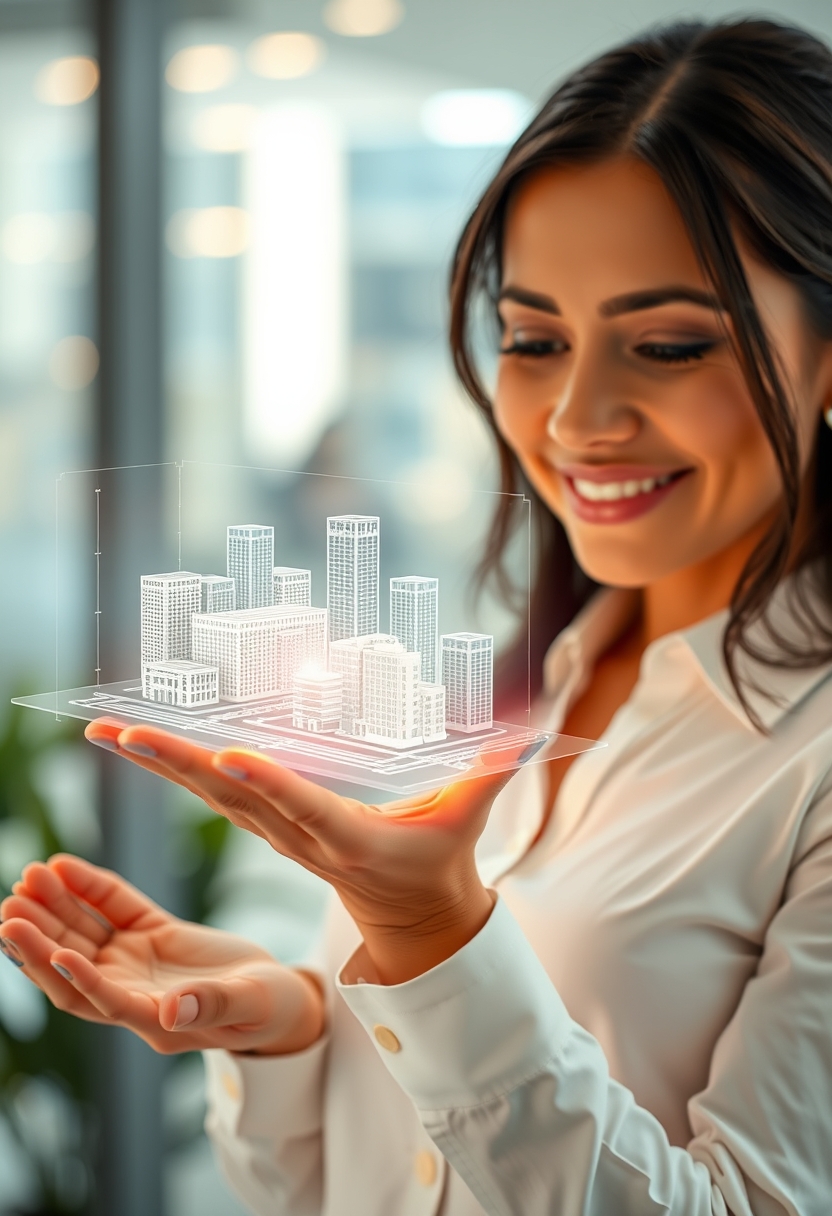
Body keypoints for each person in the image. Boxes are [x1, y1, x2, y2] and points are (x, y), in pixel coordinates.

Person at [3, 16, 832, 1215]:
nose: (573, 416)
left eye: (665, 344)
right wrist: (294, 1026)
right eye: (534, 339)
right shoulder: (527, 683)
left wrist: (434, 935)